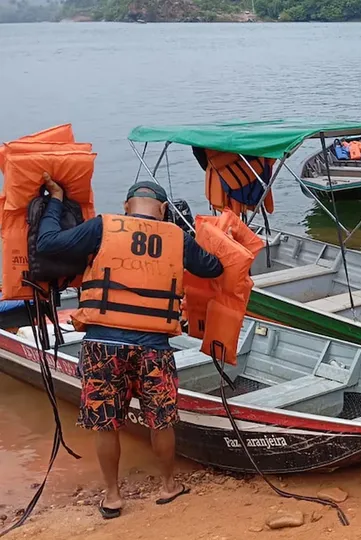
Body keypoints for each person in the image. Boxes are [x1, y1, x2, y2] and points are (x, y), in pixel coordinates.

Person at [35, 178, 224, 519]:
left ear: (126, 206)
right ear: (164, 210)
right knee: (161, 420)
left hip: (103, 345)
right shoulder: (177, 237)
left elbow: (47, 244)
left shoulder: (101, 227)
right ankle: (168, 485)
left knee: (106, 422)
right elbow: (212, 267)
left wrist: (56, 200)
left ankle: (112, 496)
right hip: (155, 347)